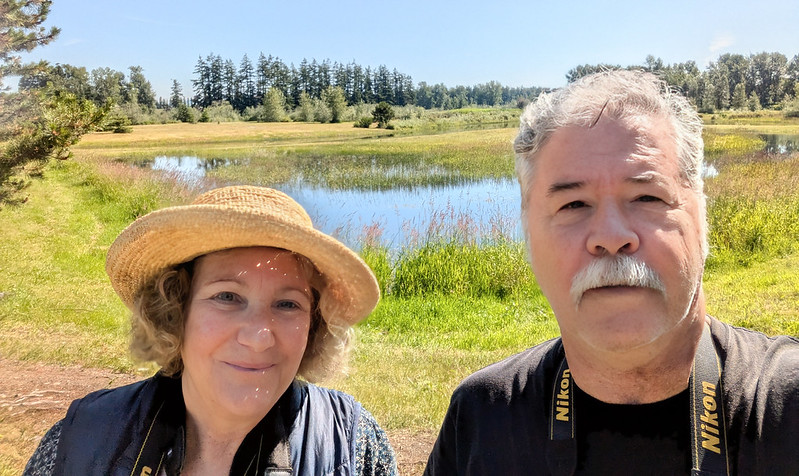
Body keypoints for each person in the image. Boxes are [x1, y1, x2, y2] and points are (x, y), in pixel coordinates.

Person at [424, 70, 799, 475]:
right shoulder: (480, 419)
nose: (611, 237)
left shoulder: (789, 404)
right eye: (573, 204)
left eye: (647, 197)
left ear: (701, 219)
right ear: (528, 234)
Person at [25, 185, 398, 475]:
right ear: (175, 310)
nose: (258, 337)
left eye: (288, 304)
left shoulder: (353, 444)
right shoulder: (78, 442)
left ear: (313, 326)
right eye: (227, 296)